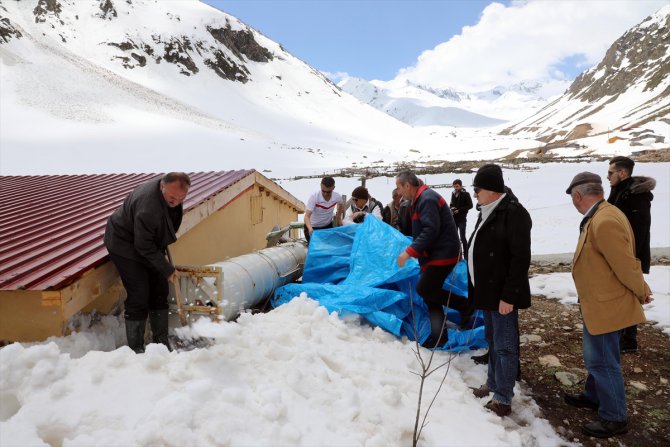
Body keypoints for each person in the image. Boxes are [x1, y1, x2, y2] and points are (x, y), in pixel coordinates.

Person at [564, 172, 652, 439]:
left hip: (606, 304)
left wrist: (641, 290)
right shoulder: (602, 214)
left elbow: (624, 263)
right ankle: (594, 396)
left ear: (578, 195)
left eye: (573, 199)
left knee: (602, 360)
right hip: (598, 301)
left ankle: (614, 416)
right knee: (599, 356)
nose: (573, 203)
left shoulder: (604, 220)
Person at [468, 164, 532, 418]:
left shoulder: (514, 213)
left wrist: (509, 296)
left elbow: (520, 259)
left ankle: (503, 398)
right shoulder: (488, 209)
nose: (475, 194)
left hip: (502, 295)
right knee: (493, 342)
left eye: (477, 189)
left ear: (493, 190)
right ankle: (493, 383)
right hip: (487, 291)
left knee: (505, 346)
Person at [104, 172, 191, 353]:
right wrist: (167, 268)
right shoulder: (148, 208)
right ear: (162, 186)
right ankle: (136, 349)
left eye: (181, 198)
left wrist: (162, 267)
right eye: (172, 197)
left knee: (160, 289)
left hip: (147, 241)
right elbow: (143, 246)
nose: (176, 201)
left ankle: (160, 341)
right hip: (125, 244)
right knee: (139, 293)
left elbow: (153, 237)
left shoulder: (168, 193)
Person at [395, 170, 473, 348]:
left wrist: (409, 252)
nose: (399, 192)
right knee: (430, 293)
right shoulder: (419, 199)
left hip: (444, 253)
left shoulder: (427, 199)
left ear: (408, 185)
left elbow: (430, 230)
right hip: (434, 254)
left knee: (425, 288)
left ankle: (465, 306)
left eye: (399, 187)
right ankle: (438, 335)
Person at [606, 156, 655, 353]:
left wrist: (630, 258)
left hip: (630, 254)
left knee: (631, 294)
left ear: (623, 173)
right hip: (622, 253)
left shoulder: (636, 195)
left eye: (611, 172)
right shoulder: (620, 191)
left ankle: (629, 339)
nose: (607, 176)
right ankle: (622, 336)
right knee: (622, 294)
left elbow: (639, 229)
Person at [304, 176, 343, 242]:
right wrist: (310, 228)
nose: (325, 194)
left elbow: (340, 204)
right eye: (323, 191)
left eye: (328, 192)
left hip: (327, 226)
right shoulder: (314, 197)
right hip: (313, 228)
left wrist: (339, 218)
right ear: (320, 186)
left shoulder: (337, 197)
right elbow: (306, 217)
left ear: (333, 188)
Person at [450, 179, 473, 257]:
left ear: (461, 185)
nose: (455, 188)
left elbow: (470, 205)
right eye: (454, 186)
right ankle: (458, 254)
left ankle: (466, 255)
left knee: (463, 238)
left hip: (462, 219)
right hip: (454, 219)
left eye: (457, 186)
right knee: (455, 238)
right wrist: (452, 209)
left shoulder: (466, 194)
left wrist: (459, 210)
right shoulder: (453, 193)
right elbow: (451, 204)